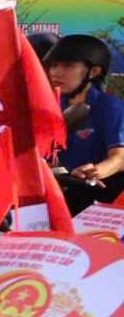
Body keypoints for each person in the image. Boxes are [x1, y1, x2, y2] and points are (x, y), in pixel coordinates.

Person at [45, 34, 124, 213]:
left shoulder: (110, 106)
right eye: (54, 65)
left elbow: (119, 158)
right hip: (64, 190)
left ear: (93, 71)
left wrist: (94, 171)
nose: (56, 72)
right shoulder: (51, 106)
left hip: (104, 196)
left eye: (68, 65)